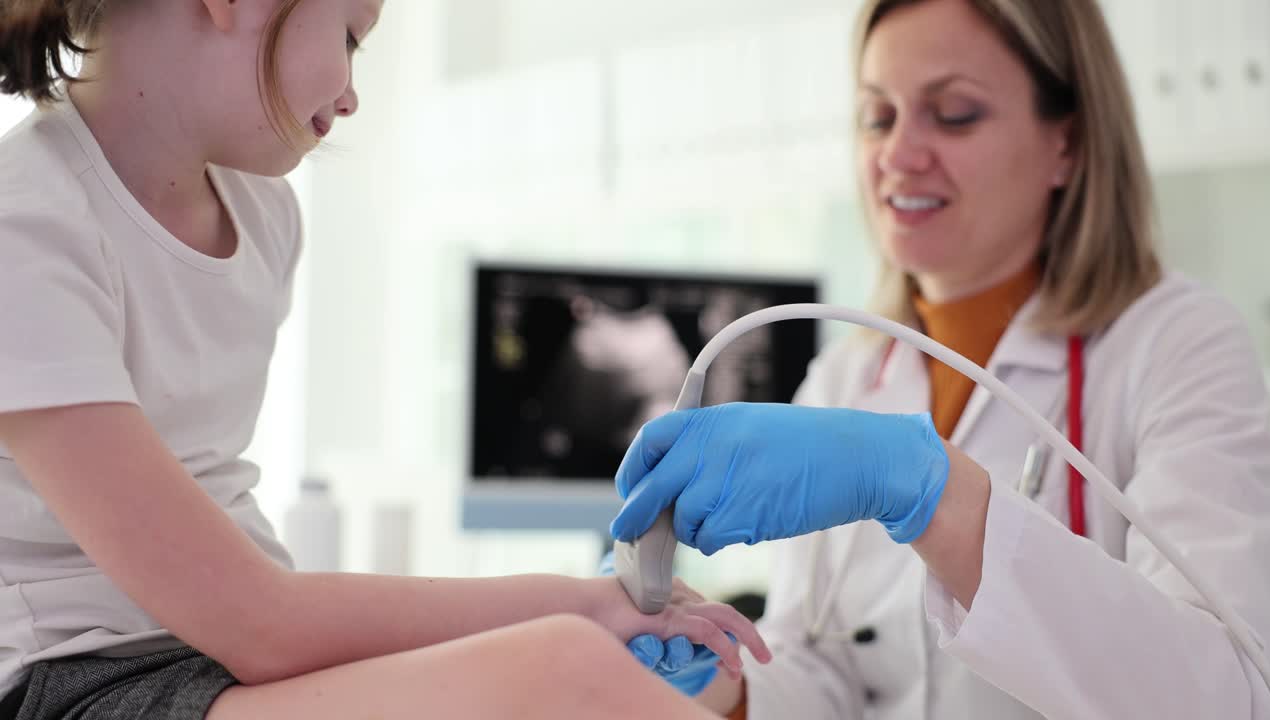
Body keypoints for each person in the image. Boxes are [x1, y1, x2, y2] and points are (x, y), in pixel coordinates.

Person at [0, 1, 772, 719]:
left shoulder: (262, 215)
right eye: (349, 36)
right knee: (563, 667)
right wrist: (581, 604)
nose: (350, 97)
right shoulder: (27, 226)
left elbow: (261, 622)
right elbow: (261, 623)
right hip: (88, 678)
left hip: (227, 652)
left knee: (700, 679)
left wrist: (593, 608)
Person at [609, 0, 1270, 717]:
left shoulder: (1175, 345)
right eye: (878, 117)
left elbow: (1233, 699)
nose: (898, 156)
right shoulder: (845, 379)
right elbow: (827, 677)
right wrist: (720, 681)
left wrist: (927, 490)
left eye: (954, 114)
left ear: (1069, 142)